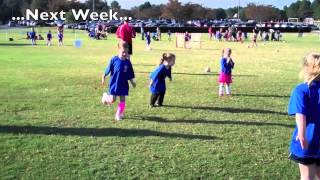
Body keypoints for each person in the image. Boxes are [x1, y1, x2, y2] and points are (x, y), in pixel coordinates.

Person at [288, 53, 320, 180]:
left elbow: (301, 114)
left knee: (307, 176)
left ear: (307, 69)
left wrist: (301, 134)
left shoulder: (301, 90)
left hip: (308, 139)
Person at [101, 42, 136, 121]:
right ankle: (105, 97)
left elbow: (129, 74)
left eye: (126, 52)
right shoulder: (114, 59)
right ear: (119, 50)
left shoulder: (128, 62)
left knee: (122, 100)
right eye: (123, 52)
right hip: (114, 84)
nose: (125, 54)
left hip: (123, 84)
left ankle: (119, 114)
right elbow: (108, 69)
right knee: (113, 100)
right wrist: (103, 76)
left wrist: (132, 82)